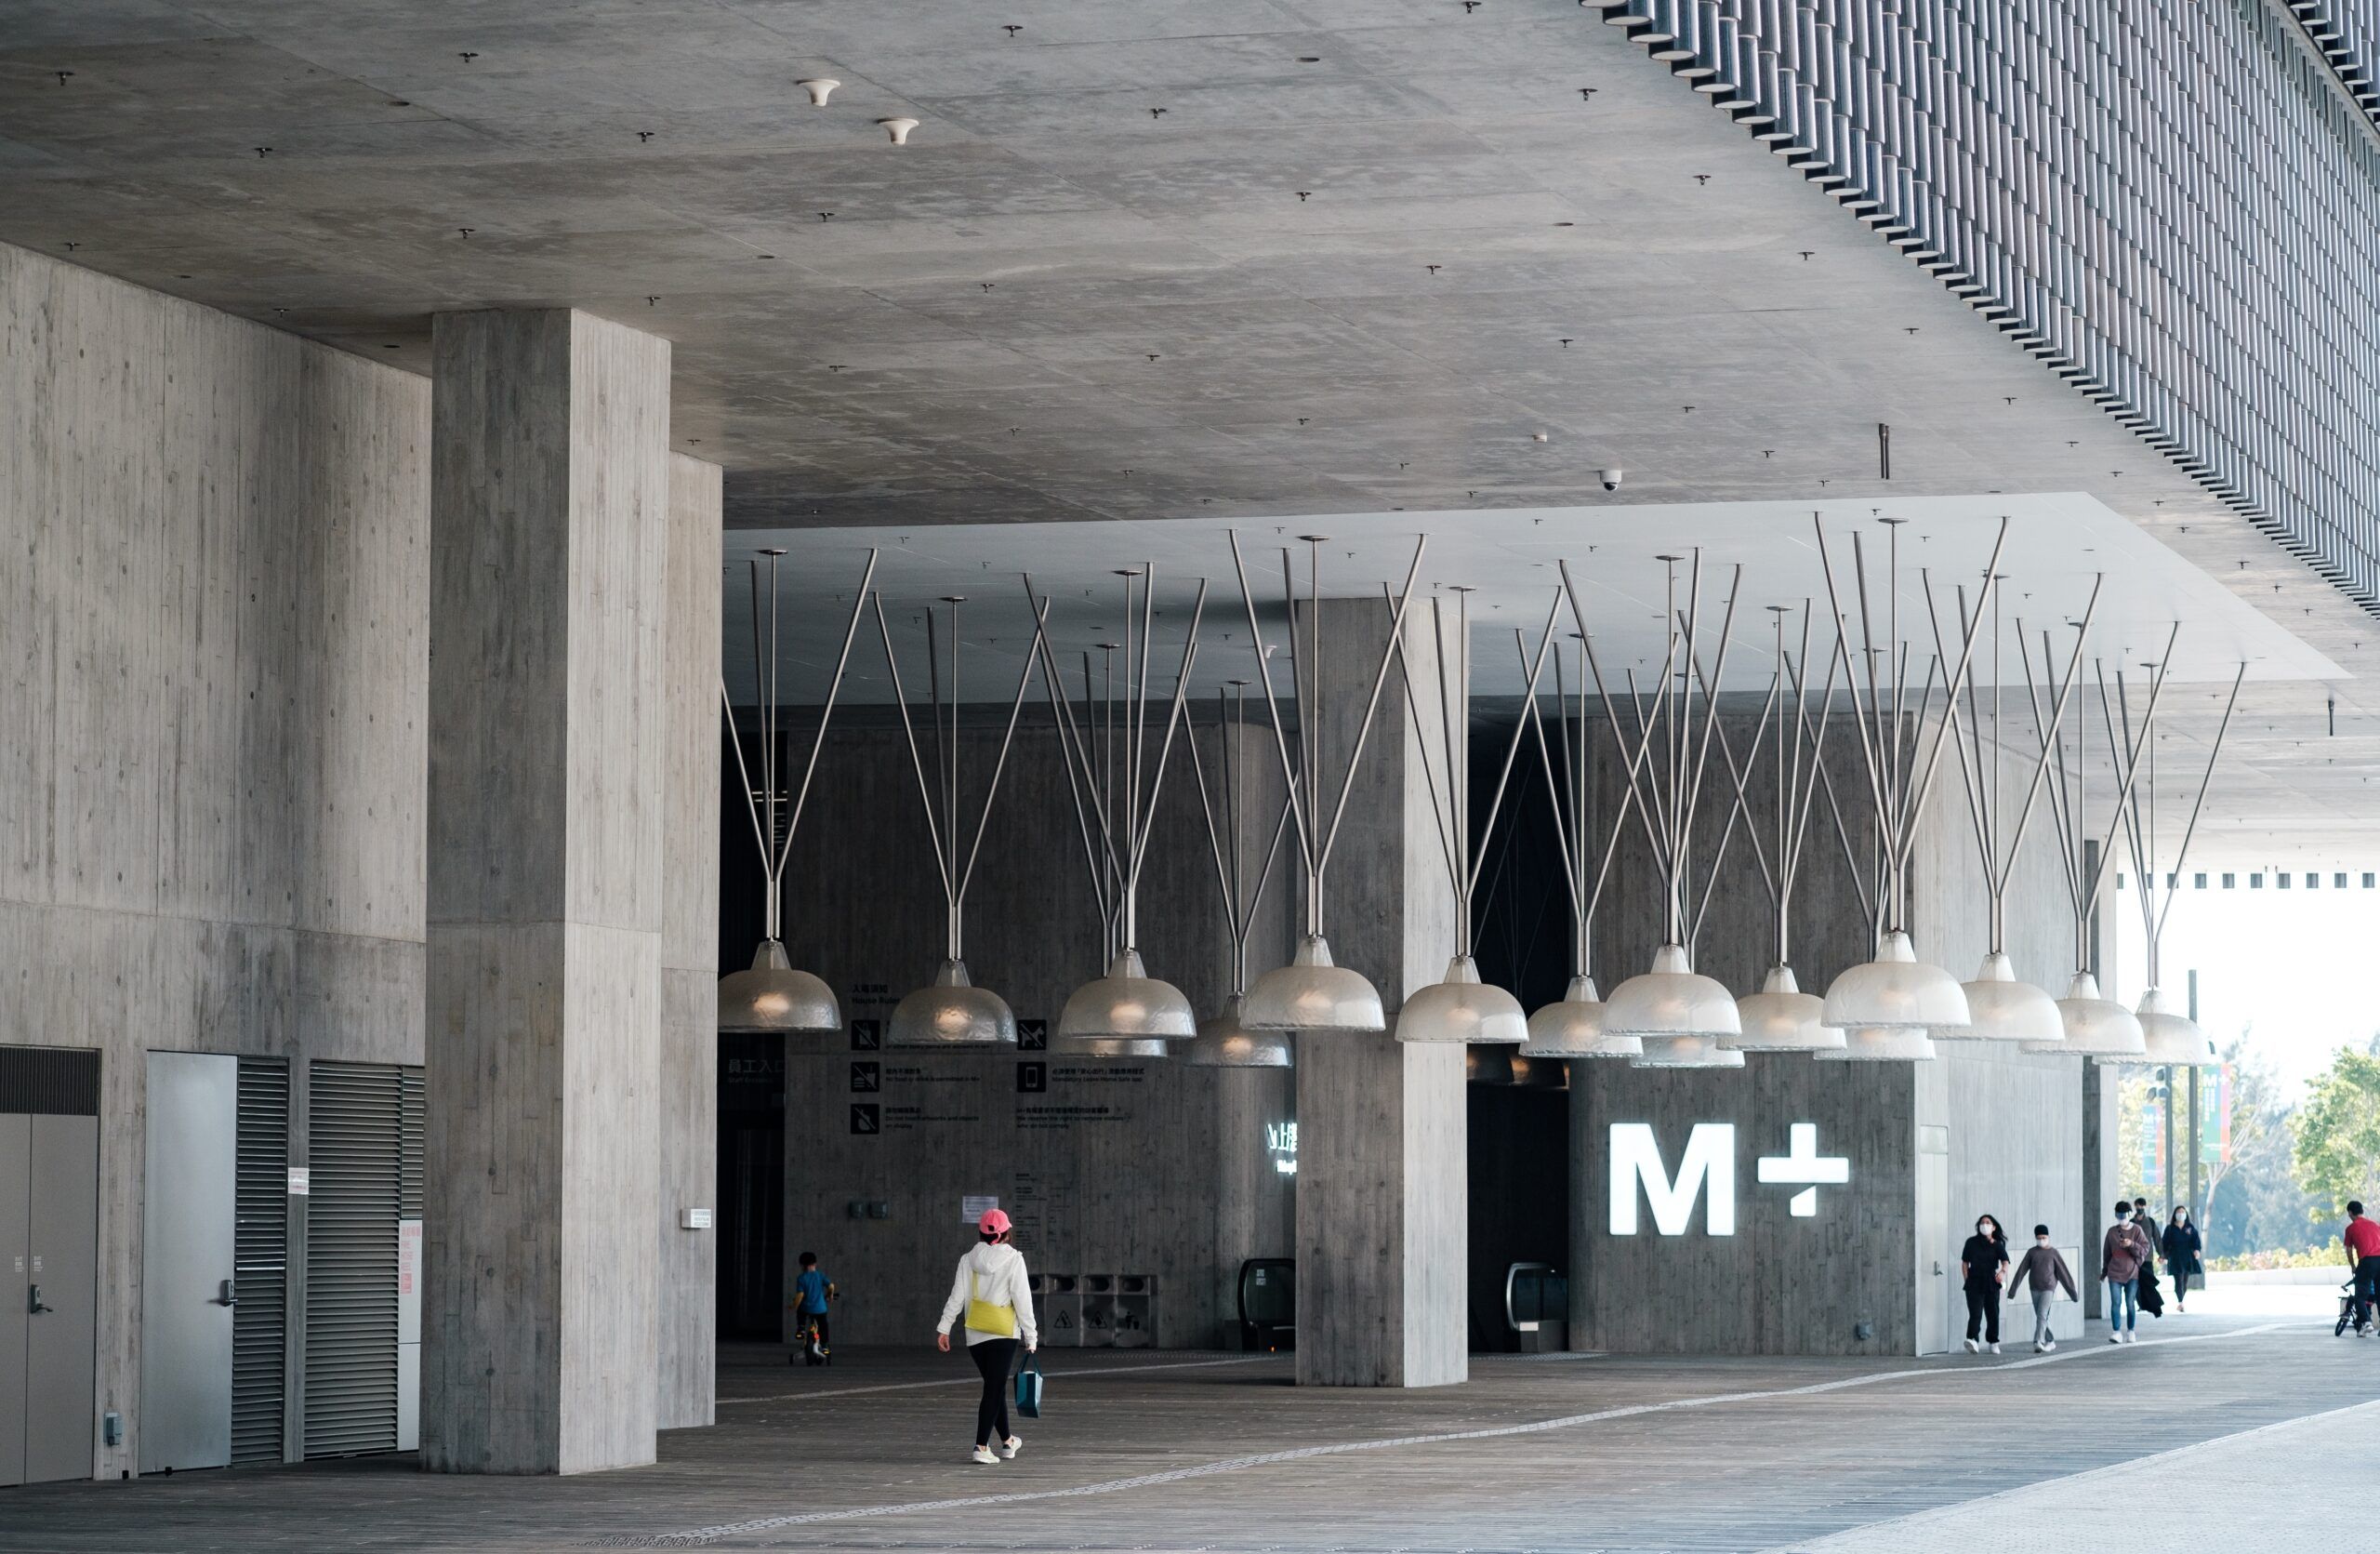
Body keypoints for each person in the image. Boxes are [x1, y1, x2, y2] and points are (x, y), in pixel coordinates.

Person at [936, 1207, 1038, 1464]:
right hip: (1003, 1333)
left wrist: (944, 1327)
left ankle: (1008, 1441)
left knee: (995, 1386)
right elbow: (1022, 1300)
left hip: (975, 1333)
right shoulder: (1014, 1259)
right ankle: (981, 1446)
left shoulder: (968, 1259)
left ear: (981, 1232)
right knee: (994, 1388)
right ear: (1005, 1233)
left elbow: (957, 1296)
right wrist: (1031, 1336)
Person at [2006, 1224, 2079, 1352]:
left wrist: (2073, 1294)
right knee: (2042, 1317)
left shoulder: (2053, 1253)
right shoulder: (2032, 1252)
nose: (2041, 1240)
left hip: (2048, 1288)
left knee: (2042, 1314)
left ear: (2048, 1237)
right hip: (2034, 1288)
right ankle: (2050, 1341)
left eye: (2044, 1237)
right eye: (2039, 1238)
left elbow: (2064, 1273)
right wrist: (2012, 1291)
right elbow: (2021, 1271)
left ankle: (2038, 1341)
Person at [2102, 1201, 2154, 1344]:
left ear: (2129, 1214)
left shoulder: (2137, 1230)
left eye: (2123, 1215)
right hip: (2114, 1273)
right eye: (2118, 1215)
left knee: (2130, 1303)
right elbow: (2106, 1253)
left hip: (2132, 1273)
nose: (2121, 1218)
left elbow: (2145, 1248)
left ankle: (2131, 1331)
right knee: (2115, 1302)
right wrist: (2104, 1271)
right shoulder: (2112, 1232)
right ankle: (2116, 1332)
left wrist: (2132, 1244)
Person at [1959, 1214, 2012, 1353]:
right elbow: (1965, 1263)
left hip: (1991, 1282)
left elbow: (2005, 1261)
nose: (1984, 1225)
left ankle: (1993, 1342)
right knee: (1975, 1313)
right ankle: (1973, 1340)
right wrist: (1967, 1279)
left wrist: (2002, 1272)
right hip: (1974, 1281)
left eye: (1988, 1222)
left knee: (1992, 1313)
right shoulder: (1971, 1242)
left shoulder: (1997, 1245)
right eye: (1982, 1223)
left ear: (1993, 1227)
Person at [792, 1251, 835, 1366]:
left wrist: (793, 1306)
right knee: (823, 1326)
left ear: (802, 1265)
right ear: (815, 1263)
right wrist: (830, 1295)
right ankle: (824, 1346)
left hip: (806, 1309)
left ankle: (801, 1328)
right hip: (820, 1309)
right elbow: (831, 1286)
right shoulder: (820, 1276)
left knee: (800, 1311)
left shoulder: (801, 1278)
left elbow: (800, 1295)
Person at [2344, 1201, 2380, 1335]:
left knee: (2360, 1296)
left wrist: (2353, 1266)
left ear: (2350, 1213)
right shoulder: (2375, 1225)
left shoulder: (2351, 1228)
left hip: (2367, 1261)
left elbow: (2349, 1250)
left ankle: (2366, 1322)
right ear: (2362, 1211)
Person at [2161, 1207, 2202, 1313]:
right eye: (2178, 1212)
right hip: (2175, 1257)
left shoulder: (2190, 1228)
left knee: (2184, 1281)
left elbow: (2196, 1241)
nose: (2180, 1214)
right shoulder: (2170, 1229)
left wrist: (2197, 1250)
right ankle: (2180, 1302)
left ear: (2186, 1214)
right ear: (2175, 1214)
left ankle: (2181, 1300)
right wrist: (2163, 1256)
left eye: (2183, 1212)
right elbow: (2164, 1243)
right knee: (2178, 1280)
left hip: (2187, 1257)